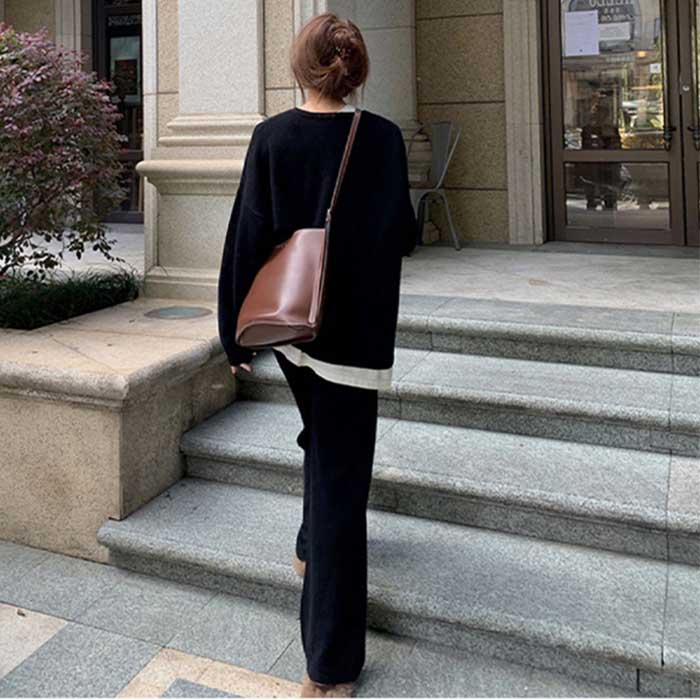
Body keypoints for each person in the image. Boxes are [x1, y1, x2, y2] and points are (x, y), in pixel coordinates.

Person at [216, 11, 418, 698]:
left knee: (324, 444)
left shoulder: (272, 137)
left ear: (300, 67)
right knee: (339, 483)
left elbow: (247, 235)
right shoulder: (383, 138)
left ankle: (309, 548)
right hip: (354, 341)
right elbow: (404, 234)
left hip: (290, 330)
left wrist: (231, 333)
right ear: (356, 70)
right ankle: (329, 669)